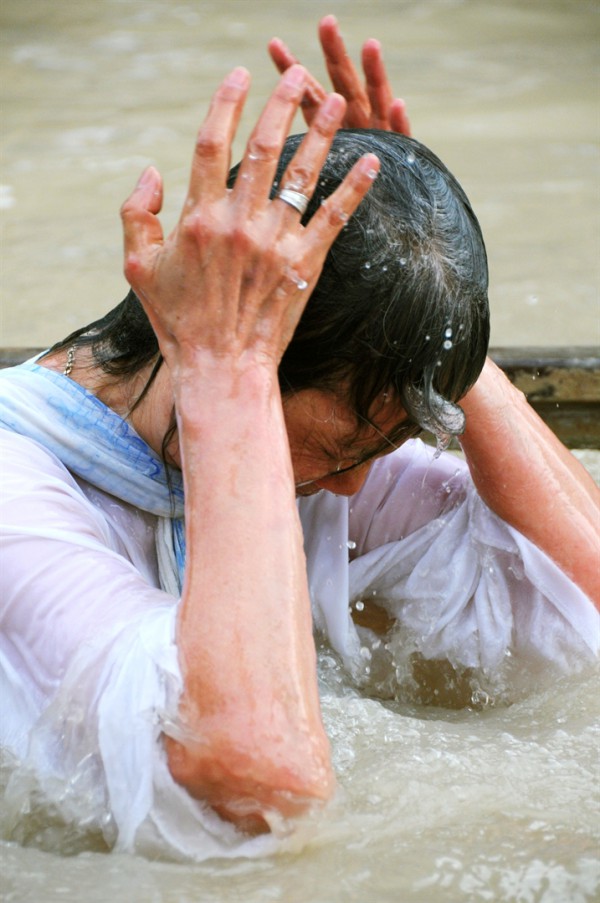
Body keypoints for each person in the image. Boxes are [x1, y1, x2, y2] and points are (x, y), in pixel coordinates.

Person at [0, 17, 598, 860]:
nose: (354, 488)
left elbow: (579, 608)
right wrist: (225, 357)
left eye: (376, 452)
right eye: (342, 447)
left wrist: (412, 277)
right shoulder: (15, 480)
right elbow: (260, 793)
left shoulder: (317, 455)